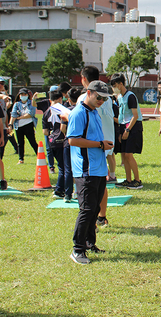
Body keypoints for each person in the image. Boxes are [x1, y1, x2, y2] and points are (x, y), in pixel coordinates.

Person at [66, 80, 114, 264]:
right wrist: (99, 144)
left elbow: (96, 139)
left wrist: (103, 154)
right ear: (89, 92)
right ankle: (77, 249)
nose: (101, 101)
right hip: (85, 170)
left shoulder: (95, 112)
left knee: (94, 209)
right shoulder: (78, 112)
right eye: (99, 97)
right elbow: (73, 140)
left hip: (97, 168)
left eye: (105, 98)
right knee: (86, 209)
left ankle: (89, 243)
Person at [111, 73, 143, 189]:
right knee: (124, 155)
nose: (113, 88)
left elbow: (134, 115)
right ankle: (128, 179)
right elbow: (121, 116)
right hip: (124, 126)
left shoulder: (131, 96)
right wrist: (121, 132)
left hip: (133, 127)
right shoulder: (119, 97)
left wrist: (128, 129)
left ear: (121, 84)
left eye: (115, 85)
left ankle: (137, 180)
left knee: (129, 154)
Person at [44, 91, 70, 201]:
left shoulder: (46, 112)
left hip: (52, 141)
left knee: (61, 167)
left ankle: (61, 189)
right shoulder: (63, 110)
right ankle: (60, 190)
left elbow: (45, 132)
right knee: (64, 168)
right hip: (62, 140)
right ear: (60, 99)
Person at [9, 88, 38, 164]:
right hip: (18, 126)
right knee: (20, 143)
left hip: (28, 125)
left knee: (32, 142)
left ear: (27, 95)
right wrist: (10, 124)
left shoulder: (31, 103)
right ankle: (21, 159)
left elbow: (30, 114)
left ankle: (39, 156)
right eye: (21, 95)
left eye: (24, 94)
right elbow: (13, 114)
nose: (23, 96)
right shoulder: (17, 104)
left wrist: (19, 117)